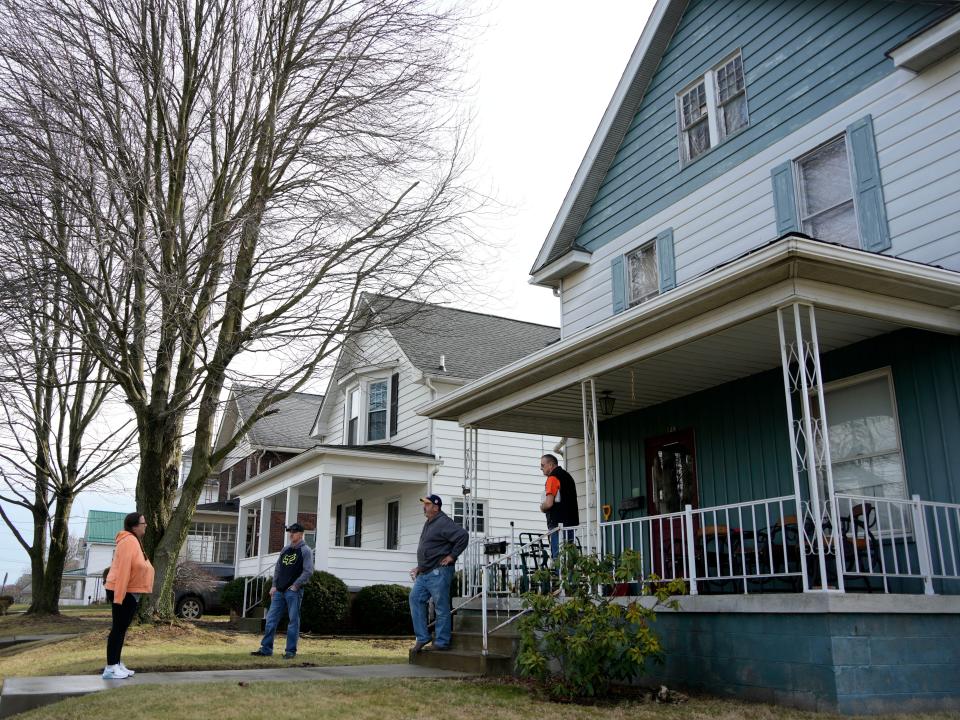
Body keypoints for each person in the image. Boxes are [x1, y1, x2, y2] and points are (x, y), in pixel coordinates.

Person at [409, 494, 468, 653]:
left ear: (436, 507)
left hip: (439, 572)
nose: (424, 507)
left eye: (427, 504)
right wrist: (419, 567)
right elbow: (431, 549)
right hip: (425, 572)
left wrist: (452, 556)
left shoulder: (443, 522)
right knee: (415, 598)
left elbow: (463, 536)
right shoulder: (429, 523)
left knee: (440, 607)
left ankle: (442, 642)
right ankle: (422, 637)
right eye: (424, 504)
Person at [102, 512, 154, 680]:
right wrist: (119, 596)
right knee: (118, 628)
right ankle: (110, 668)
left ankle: (116, 663)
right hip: (122, 591)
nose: (145, 525)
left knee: (121, 629)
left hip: (129, 591)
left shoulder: (133, 540)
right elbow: (124, 569)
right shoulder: (128, 541)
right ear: (134, 526)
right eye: (143, 522)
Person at [251, 522, 314, 659]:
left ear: (301, 534)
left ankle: (290, 651)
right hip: (279, 591)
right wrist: (274, 586)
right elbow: (278, 569)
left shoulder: (306, 551)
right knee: (271, 620)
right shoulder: (285, 550)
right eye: (290, 532)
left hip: (294, 592)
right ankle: (266, 649)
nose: (291, 534)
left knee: (293, 622)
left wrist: (296, 585)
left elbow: (308, 571)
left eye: (294, 532)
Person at [539, 454, 580, 558]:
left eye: (543, 465)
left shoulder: (552, 478)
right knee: (569, 557)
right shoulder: (568, 476)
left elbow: (549, 503)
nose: (541, 468)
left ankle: (559, 574)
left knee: (558, 557)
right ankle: (569, 575)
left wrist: (542, 507)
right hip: (571, 523)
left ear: (550, 465)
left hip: (558, 525)